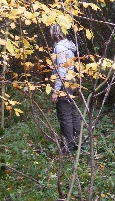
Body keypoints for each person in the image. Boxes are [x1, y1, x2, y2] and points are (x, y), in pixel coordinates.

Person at [50, 24, 81, 155]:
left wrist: (56, 90)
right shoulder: (69, 46)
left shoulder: (59, 47)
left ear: (54, 33)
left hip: (65, 83)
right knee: (73, 114)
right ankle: (79, 144)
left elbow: (60, 70)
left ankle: (67, 148)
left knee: (65, 116)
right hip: (72, 81)